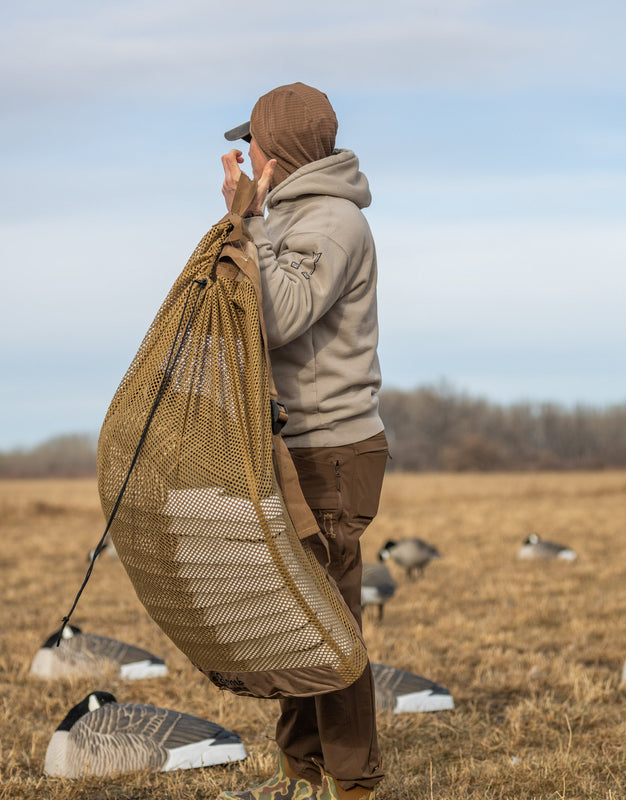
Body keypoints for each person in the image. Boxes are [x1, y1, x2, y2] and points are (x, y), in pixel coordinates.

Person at [218, 83, 389, 800]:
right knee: (297, 619)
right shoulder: (296, 215)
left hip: (332, 452)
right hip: (298, 447)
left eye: (251, 143)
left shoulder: (332, 222)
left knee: (329, 626)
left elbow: (280, 314)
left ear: (276, 154)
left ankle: (353, 784)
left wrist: (248, 222)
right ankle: (302, 772)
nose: (243, 156)